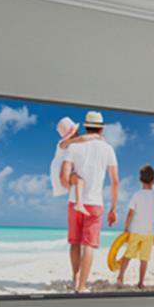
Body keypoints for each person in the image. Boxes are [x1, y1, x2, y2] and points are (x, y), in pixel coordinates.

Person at [60, 110, 119, 294]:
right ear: (101, 129)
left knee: (75, 243)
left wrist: (72, 183)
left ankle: (75, 277)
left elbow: (64, 176)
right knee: (89, 246)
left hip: (73, 202)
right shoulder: (107, 149)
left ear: (86, 127)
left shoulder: (73, 147)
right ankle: (82, 286)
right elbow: (115, 181)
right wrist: (113, 208)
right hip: (94, 203)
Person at [116, 164, 154, 289]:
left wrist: (126, 229)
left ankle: (120, 277)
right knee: (144, 259)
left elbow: (130, 214)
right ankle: (141, 282)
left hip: (135, 231)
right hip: (149, 233)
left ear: (140, 180)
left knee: (128, 255)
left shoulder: (136, 195)